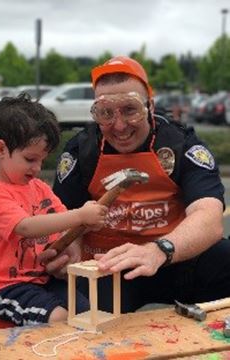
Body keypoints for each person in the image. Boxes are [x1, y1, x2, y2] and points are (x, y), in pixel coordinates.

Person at [42, 55, 230, 314]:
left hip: (173, 257)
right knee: (69, 308)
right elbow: (62, 215)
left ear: (150, 106)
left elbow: (209, 217)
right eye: (105, 113)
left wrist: (159, 250)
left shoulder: (181, 144)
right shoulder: (81, 151)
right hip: (107, 265)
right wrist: (68, 252)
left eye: (130, 109)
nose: (119, 126)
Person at [0, 94, 107, 326]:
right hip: (6, 286)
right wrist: (79, 215)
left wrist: (85, 225)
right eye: (30, 159)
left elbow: (64, 223)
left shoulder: (39, 188)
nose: (37, 168)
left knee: (86, 312)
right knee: (58, 318)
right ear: (0, 149)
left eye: (42, 161)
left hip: (43, 279)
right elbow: (26, 227)